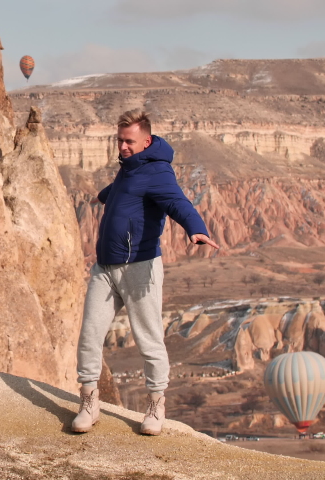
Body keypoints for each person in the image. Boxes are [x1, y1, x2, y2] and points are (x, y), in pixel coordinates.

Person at [71, 109, 219, 435]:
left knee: (149, 340)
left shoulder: (158, 172)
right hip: (105, 267)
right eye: (119, 140)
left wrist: (196, 228)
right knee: (89, 336)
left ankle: (155, 403)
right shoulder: (129, 168)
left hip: (139, 267)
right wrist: (104, 195)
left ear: (146, 141)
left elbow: (178, 202)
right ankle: (89, 401)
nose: (122, 146)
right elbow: (125, 192)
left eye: (129, 141)